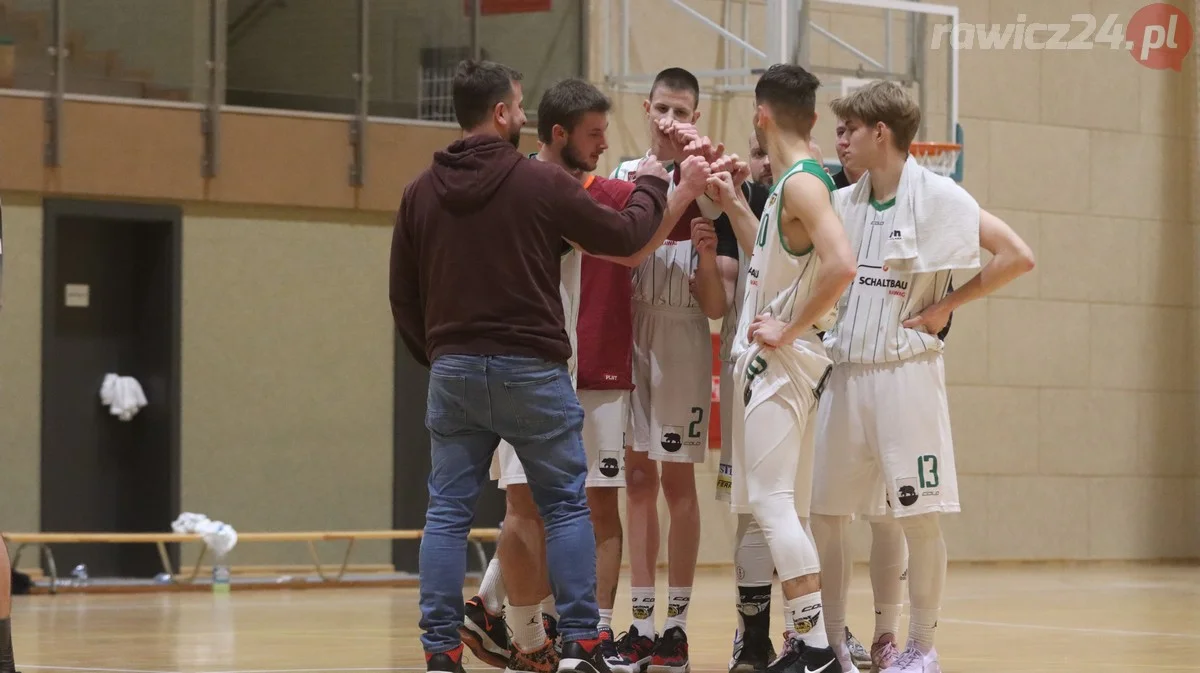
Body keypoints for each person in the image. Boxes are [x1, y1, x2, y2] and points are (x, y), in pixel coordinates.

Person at [391, 59, 677, 673]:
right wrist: (654, 183)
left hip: (454, 370)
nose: (524, 117)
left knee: (445, 514)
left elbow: (403, 297)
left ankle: (440, 651)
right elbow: (625, 237)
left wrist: (440, 355)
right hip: (532, 370)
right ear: (500, 113)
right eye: (519, 107)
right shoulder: (538, 184)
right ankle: (582, 645)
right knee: (567, 507)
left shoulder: (418, 192)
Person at [462, 78, 709, 673]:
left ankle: (524, 625)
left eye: (604, 132)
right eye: (594, 134)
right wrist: (674, 185)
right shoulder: (581, 186)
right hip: (540, 363)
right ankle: (553, 634)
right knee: (537, 506)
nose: (602, 142)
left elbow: (661, 233)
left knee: (557, 506)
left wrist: (701, 174)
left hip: (580, 360)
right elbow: (630, 244)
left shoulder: (606, 182)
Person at [809, 80, 1034, 673]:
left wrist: (944, 307)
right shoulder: (841, 203)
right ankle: (834, 644)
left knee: (917, 514)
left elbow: (1017, 254)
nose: (841, 140)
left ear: (880, 132)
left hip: (906, 377)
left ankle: (920, 646)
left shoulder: (940, 197)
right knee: (826, 515)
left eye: (849, 129)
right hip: (846, 375)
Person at [705, 62, 857, 673]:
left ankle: (816, 646)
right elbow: (772, 256)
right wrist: (733, 203)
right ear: (813, 117)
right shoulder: (791, 183)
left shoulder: (802, 184)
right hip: (768, 360)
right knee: (771, 507)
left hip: (784, 359)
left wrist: (789, 328)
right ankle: (811, 644)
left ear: (759, 115)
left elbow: (841, 265)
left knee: (770, 507)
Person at [607, 67, 735, 673]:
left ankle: (677, 628)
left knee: (678, 484)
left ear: (696, 118)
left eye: (682, 112)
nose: (670, 121)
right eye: (662, 108)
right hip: (629, 330)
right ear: (645, 109)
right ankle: (639, 620)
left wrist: (708, 256)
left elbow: (716, 308)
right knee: (635, 479)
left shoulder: (712, 190)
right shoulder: (625, 179)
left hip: (682, 336)